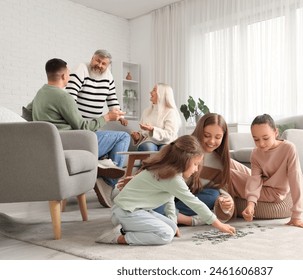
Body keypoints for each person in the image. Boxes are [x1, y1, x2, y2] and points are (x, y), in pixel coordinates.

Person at [95, 135, 236, 245]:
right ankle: (117, 237)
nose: (196, 169)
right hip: (125, 212)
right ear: (184, 160)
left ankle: (130, 227)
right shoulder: (172, 178)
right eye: (195, 164)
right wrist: (219, 224)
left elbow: (169, 199)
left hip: (140, 210)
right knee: (165, 235)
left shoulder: (168, 173)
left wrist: (173, 224)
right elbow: (194, 202)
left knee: (171, 228)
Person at [27, 58, 130, 208]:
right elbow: (82, 126)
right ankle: (108, 182)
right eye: (68, 73)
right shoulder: (63, 96)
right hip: (73, 145)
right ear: (63, 76)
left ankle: (102, 166)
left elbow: (27, 113)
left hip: (53, 146)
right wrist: (107, 117)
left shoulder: (40, 94)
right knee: (123, 136)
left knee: (106, 139)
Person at [241, 114, 303, 228]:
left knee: (230, 174)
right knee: (229, 164)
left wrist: (296, 216)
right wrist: (250, 205)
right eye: (256, 139)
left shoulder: (288, 148)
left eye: (266, 138)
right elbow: (254, 180)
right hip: (262, 187)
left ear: (276, 133)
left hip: (275, 193)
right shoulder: (256, 153)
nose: (261, 144)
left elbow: (296, 179)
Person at [65, 49, 128, 126]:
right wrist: (75, 120)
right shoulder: (81, 69)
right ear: (92, 58)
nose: (99, 65)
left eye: (104, 64)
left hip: (94, 124)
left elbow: (112, 98)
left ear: (108, 66)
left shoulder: (108, 76)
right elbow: (70, 96)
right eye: (98, 61)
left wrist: (120, 116)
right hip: (77, 123)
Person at [130, 83, 181, 151]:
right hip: (149, 142)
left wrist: (152, 129)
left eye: (154, 90)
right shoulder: (146, 111)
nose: (150, 92)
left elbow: (170, 135)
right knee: (148, 147)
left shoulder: (171, 112)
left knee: (164, 150)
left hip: (167, 142)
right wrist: (138, 136)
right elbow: (144, 133)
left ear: (162, 94)